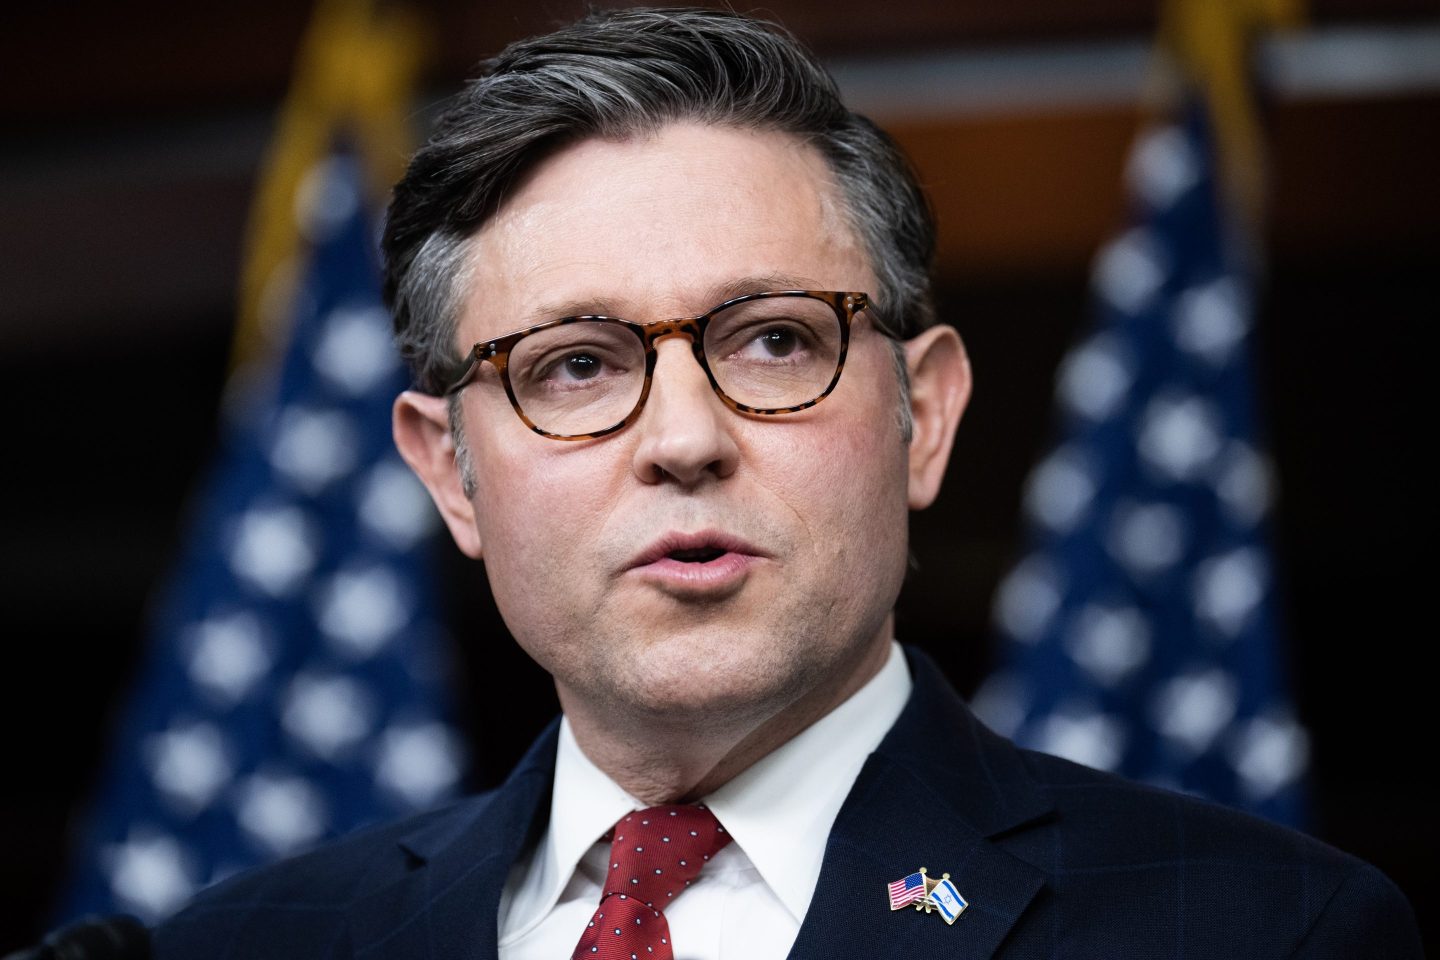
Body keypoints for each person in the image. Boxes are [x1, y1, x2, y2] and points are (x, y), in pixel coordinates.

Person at [153, 7, 1422, 958]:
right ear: (453, 476)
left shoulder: (1264, 934)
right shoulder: (242, 946)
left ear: (923, 416)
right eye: (576, 365)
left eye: (774, 340)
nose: (685, 439)